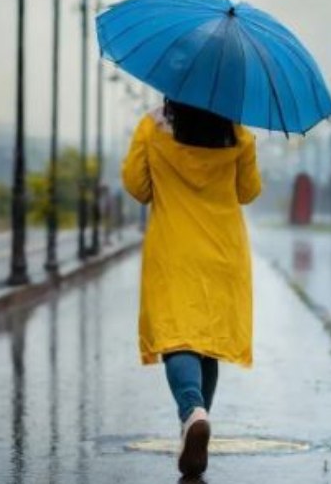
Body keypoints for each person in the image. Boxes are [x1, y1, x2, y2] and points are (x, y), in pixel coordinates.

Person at [122, 98, 262, 478]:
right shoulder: (237, 133)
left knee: (177, 337)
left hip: (174, 249)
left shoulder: (153, 127)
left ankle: (192, 414)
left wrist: (151, 136)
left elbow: (137, 186)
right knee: (207, 343)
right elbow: (248, 191)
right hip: (222, 251)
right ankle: (195, 424)